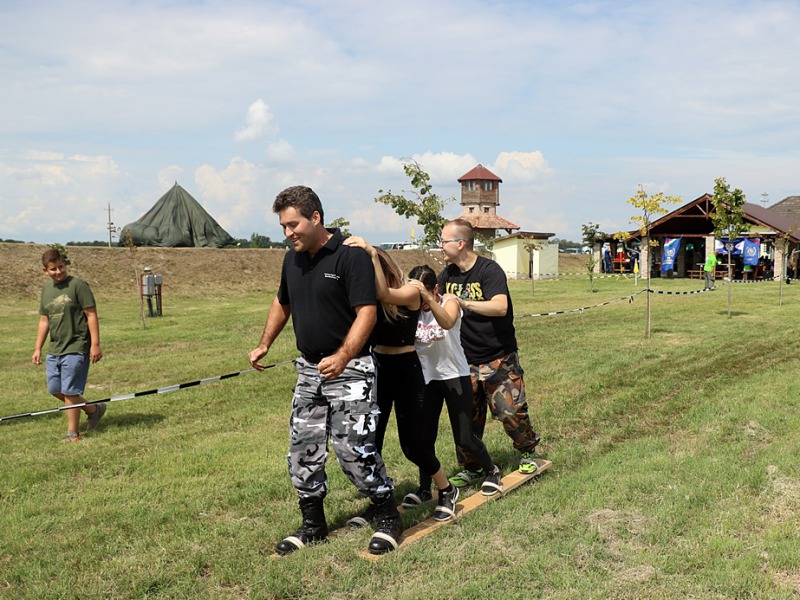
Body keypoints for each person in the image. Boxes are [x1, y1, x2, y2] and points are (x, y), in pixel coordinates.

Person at [248, 186, 402, 556]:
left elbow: (367, 311)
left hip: (351, 368)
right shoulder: (292, 259)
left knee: (353, 450)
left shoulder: (350, 256)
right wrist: (265, 342)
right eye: (284, 227)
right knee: (302, 450)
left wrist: (345, 354)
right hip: (309, 370)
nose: (289, 233)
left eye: (293, 224)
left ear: (315, 217)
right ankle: (313, 524)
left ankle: (387, 515)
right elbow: (282, 302)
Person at [342, 238, 461, 522]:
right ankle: (380, 501)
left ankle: (446, 489)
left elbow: (384, 293)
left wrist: (370, 252)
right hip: (380, 368)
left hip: (407, 370)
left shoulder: (411, 291)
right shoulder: (369, 297)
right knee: (372, 442)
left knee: (414, 446)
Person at [436, 219, 540, 487]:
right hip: (463, 360)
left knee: (509, 411)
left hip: (499, 357)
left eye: (444, 240)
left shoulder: (489, 271)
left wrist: (464, 302)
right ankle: (472, 467)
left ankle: (528, 451)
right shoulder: (446, 275)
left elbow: (500, 307)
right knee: (466, 417)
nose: (440, 245)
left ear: (460, 244)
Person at [407, 265, 502, 498]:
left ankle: (492, 471)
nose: (422, 304)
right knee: (424, 439)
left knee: (464, 438)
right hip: (427, 379)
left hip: (454, 376)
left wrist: (429, 298)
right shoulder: (412, 307)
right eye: (418, 298)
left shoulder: (450, 301)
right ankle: (424, 489)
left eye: (426, 296)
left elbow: (447, 322)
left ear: (436, 288)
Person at [32, 248, 106, 442]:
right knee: (55, 389)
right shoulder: (47, 290)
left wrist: (95, 344)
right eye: (53, 269)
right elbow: (44, 320)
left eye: (61, 267)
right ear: (45, 271)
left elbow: (91, 315)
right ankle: (94, 409)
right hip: (55, 348)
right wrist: (38, 348)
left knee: (70, 390)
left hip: (76, 345)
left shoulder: (79, 286)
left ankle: (72, 433)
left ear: (65, 265)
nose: (58, 272)